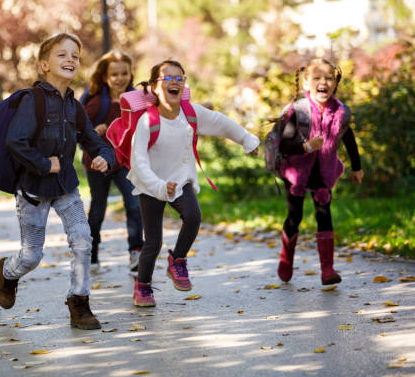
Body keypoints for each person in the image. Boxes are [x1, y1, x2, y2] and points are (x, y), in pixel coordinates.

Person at [0, 33, 115, 330]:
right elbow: (15, 141)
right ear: (43, 65)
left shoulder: (74, 106)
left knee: (83, 241)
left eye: (75, 55)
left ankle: (79, 303)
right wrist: (43, 163)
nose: (70, 59)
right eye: (62, 55)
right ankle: (8, 273)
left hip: (66, 188)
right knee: (31, 256)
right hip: (33, 191)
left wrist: (104, 157)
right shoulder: (31, 101)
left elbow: (92, 139)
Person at [127, 60, 259, 307]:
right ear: (155, 87)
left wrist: (247, 140)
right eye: (168, 78)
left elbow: (221, 123)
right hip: (151, 185)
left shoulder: (191, 113)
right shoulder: (147, 121)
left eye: (180, 78)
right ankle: (143, 286)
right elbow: (139, 162)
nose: (175, 82)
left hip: (180, 180)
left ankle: (177, 260)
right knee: (152, 243)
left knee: (194, 216)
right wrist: (157, 186)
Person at [276, 58, 363, 285]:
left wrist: (357, 167)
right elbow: (283, 145)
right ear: (307, 84)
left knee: (324, 215)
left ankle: (327, 270)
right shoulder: (299, 111)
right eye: (317, 78)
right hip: (296, 171)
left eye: (328, 78)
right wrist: (305, 146)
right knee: (295, 217)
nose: (323, 82)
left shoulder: (340, 111)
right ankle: (286, 260)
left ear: (335, 83)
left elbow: (349, 138)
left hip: (324, 171)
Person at [81, 50, 143, 273]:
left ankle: (136, 251)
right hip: (98, 162)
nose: (119, 78)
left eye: (124, 73)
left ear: (131, 73)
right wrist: (94, 131)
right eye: (114, 74)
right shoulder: (98, 101)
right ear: (106, 76)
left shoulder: (137, 98)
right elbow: (80, 128)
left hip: (125, 161)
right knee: (98, 208)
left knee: (134, 204)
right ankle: (93, 251)